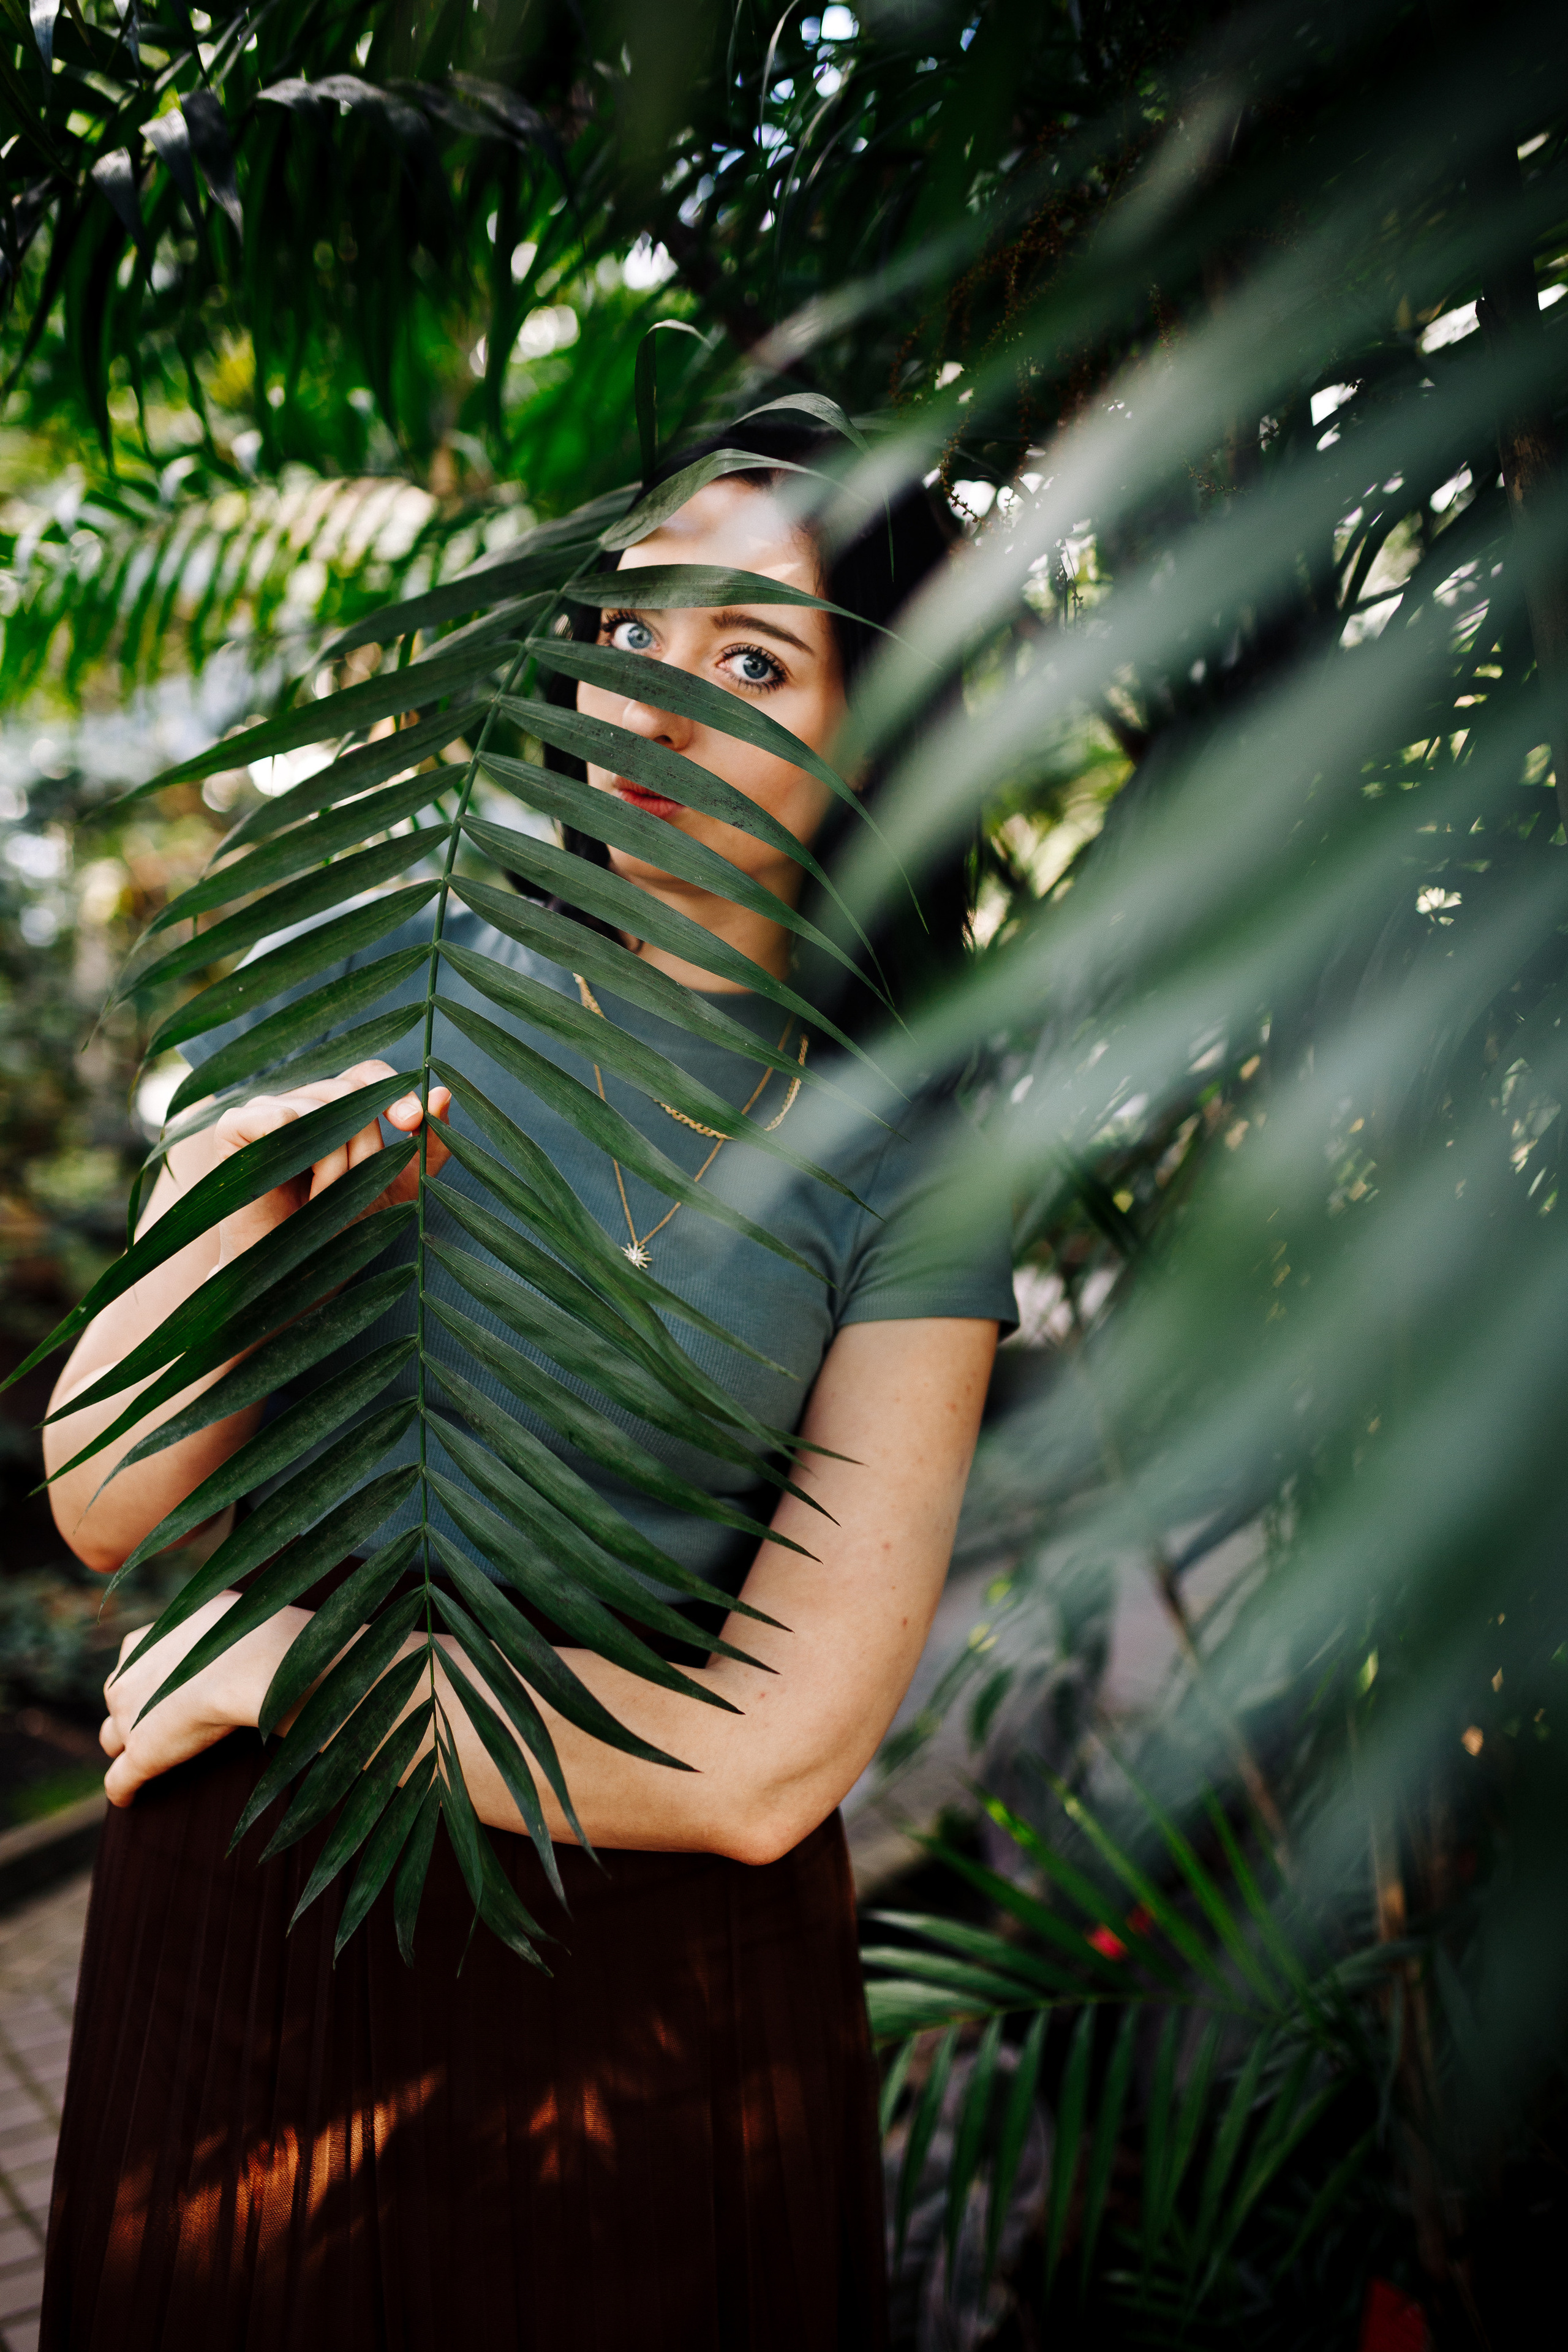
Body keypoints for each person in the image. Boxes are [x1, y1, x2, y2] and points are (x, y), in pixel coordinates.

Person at [37, 424, 1017, 2351]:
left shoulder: (918, 1153)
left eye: (749, 658)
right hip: (263, 1933)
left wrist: (297, 1675)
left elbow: (768, 1765)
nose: (657, 688)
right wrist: (230, 1220)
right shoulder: (375, 968)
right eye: (630, 625)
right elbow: (107, 1498)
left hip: (653, 1996)